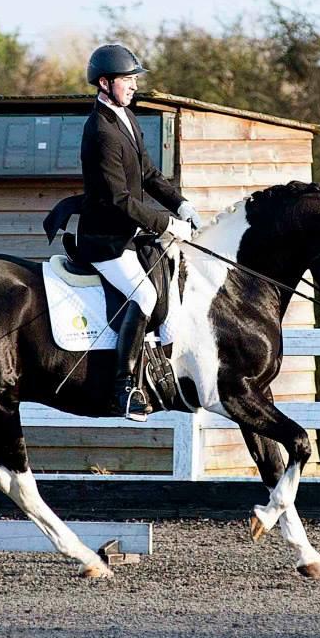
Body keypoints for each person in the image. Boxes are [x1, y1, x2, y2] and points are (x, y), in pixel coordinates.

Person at [77, 43, 202, 420]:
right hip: (105, 240)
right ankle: (125, 387)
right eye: (127, 80)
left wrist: (180, 204)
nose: (133, 86)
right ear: (104, 83)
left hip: (130, 234)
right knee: (144, 295)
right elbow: (118, 198)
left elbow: (148, 173)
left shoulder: (126, 118)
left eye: (134, 79)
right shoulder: (100, 130)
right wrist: (166, 224)